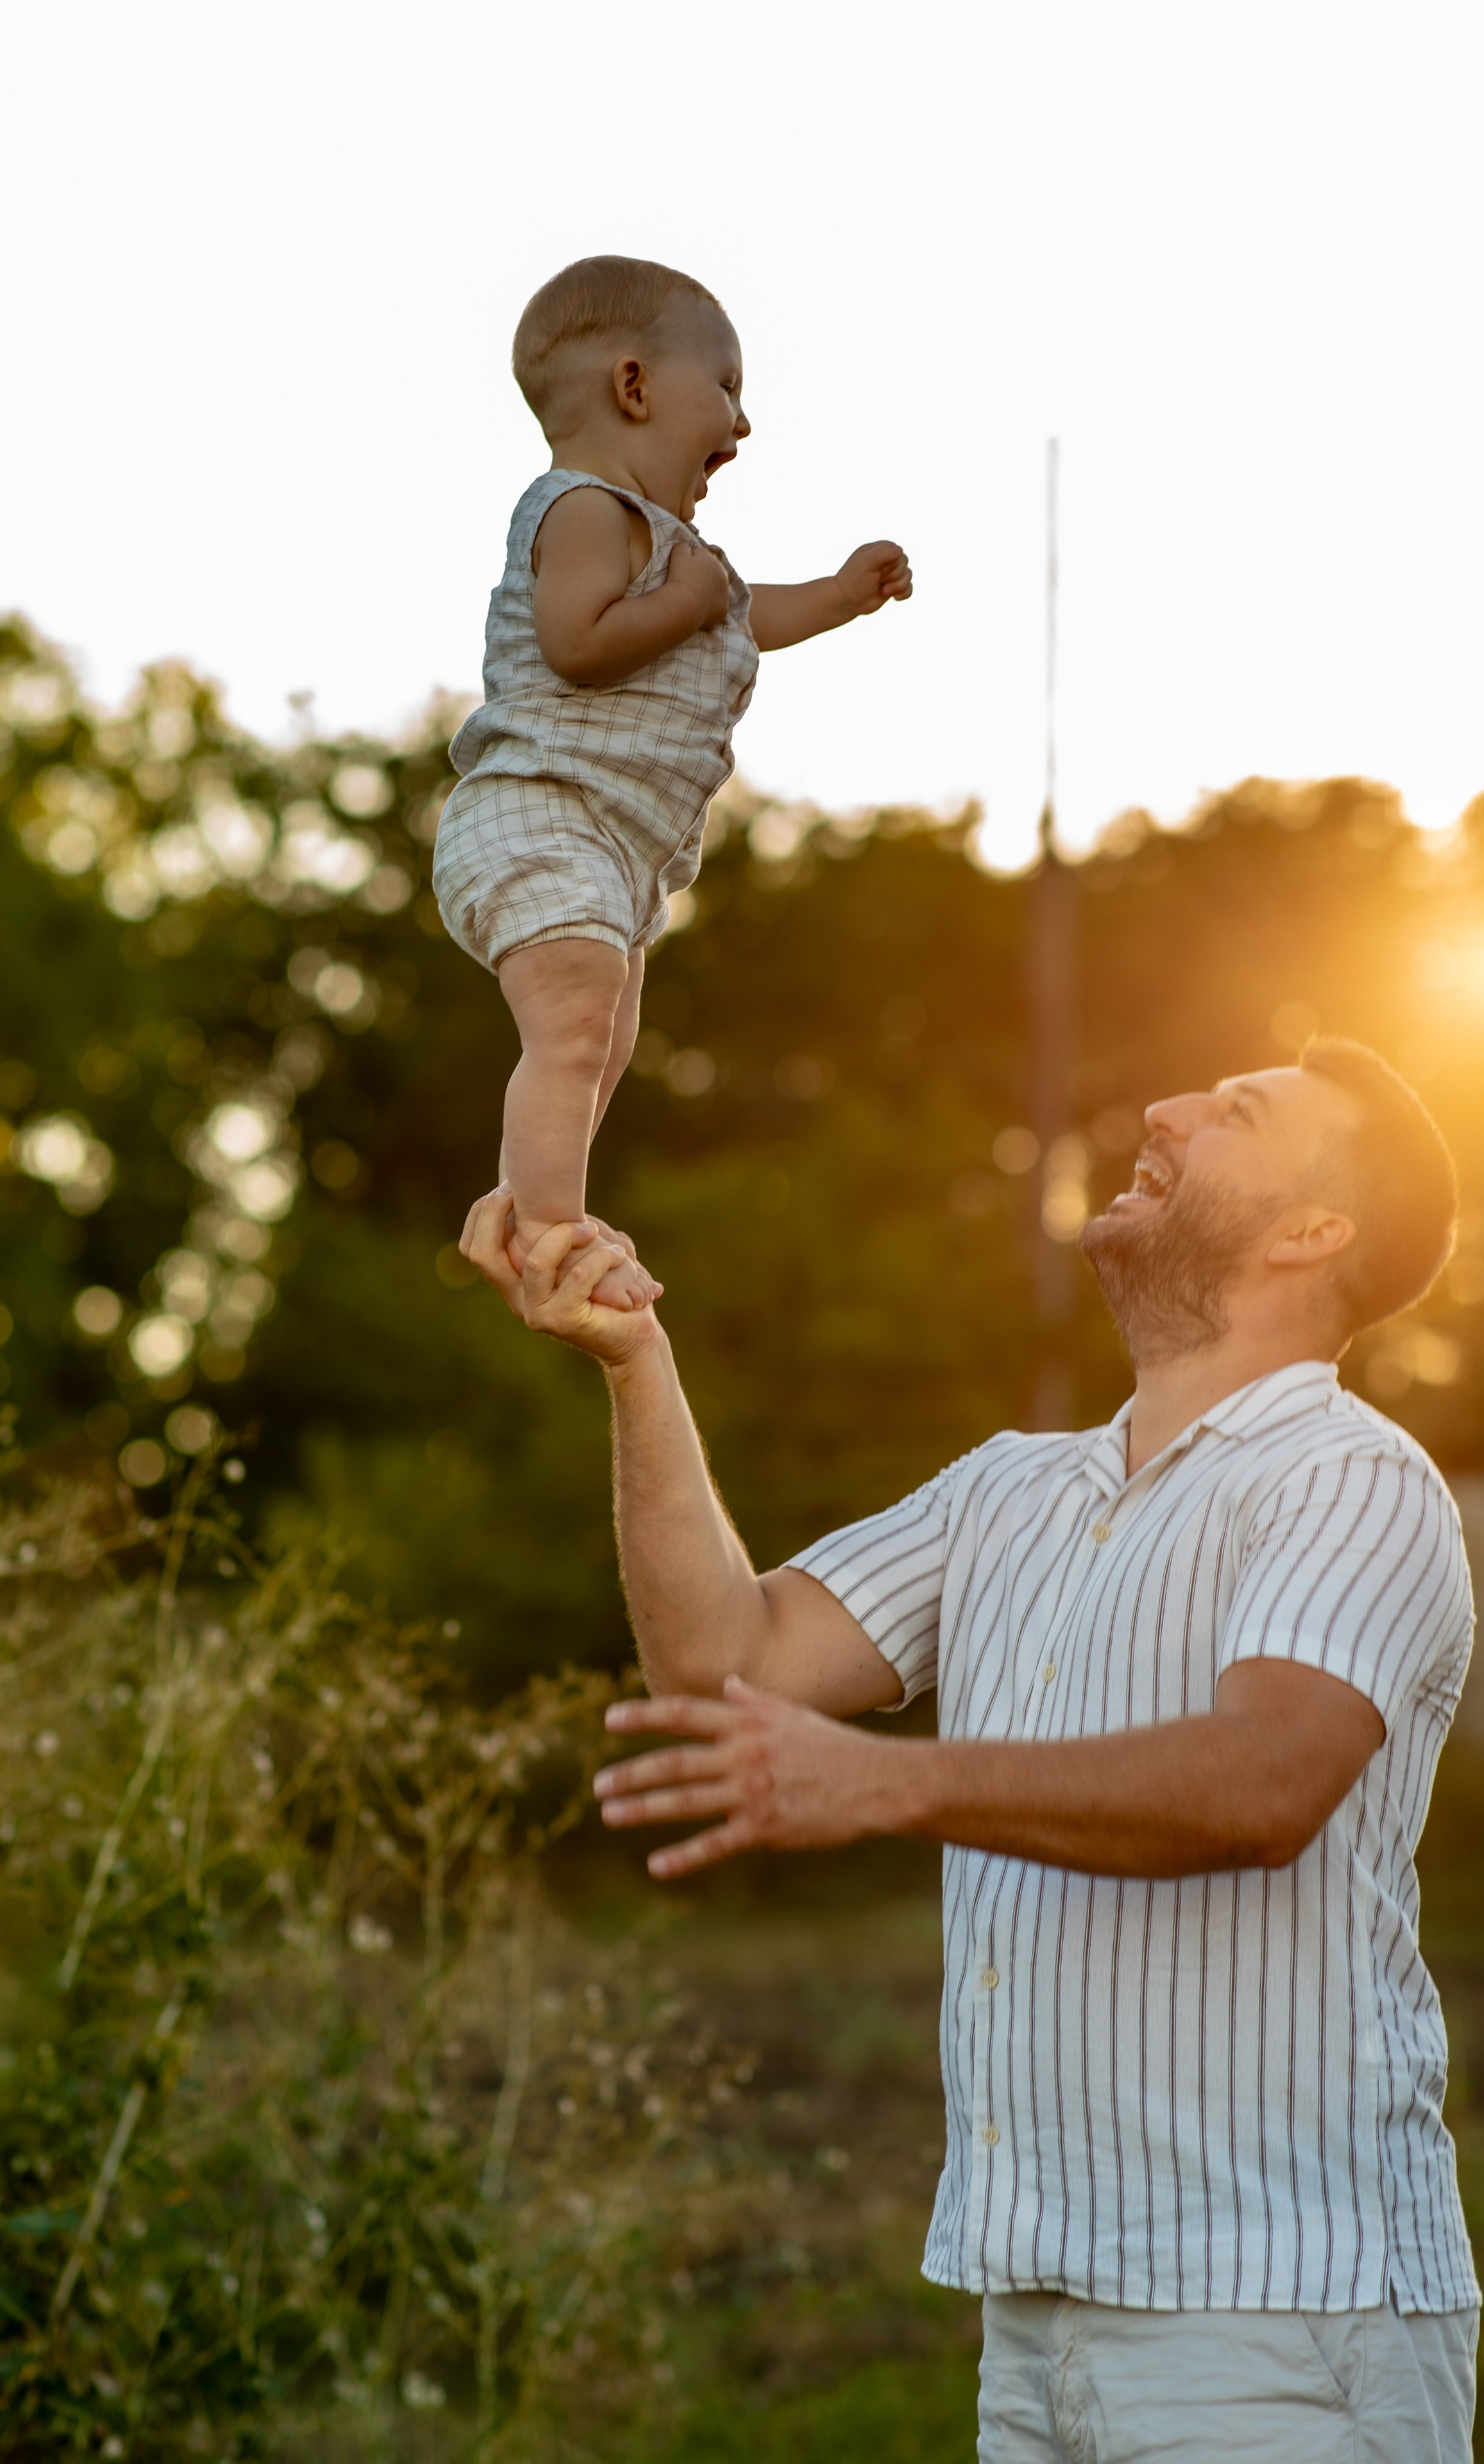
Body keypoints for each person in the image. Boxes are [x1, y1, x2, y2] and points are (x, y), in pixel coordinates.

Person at [460, 1038, 1480, 2463]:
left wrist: (887, 1783)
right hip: (1035, 2337)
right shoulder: (1008, 1489)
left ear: (1313, 1231)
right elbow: (729, 1662)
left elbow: (1266, 1782)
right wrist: (638, 1361)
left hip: (1279, 2327)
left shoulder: (1353, 1479)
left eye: (1235, 1111)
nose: (1165, 1107)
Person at [432, 253, 912, 1310]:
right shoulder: (581, 510)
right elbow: (576, 642)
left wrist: (839, 594)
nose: (744, 422)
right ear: (635, 386)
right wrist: (688, 603)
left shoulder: (684, 561)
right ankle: (548, 1235)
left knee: (603, 1042)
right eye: (728, 386)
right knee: (575, 1025)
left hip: (618, 852)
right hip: (540, 814)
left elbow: (747, 613)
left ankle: (536, 1204)